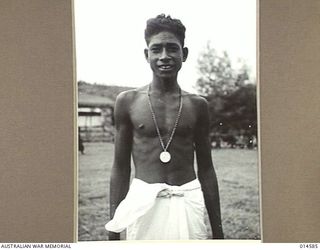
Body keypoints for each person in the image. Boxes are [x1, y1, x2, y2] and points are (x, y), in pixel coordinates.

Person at [105, 14, 223, 240]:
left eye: (172, 48)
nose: (164, 56)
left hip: (187, 199)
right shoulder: (128, 102)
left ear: (184, 54)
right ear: (146, 54)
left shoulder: (197, 105)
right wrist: (114, 229)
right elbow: (120, 169)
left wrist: (218, 233)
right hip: (143, 202)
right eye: (156, 49)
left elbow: (207, 169)